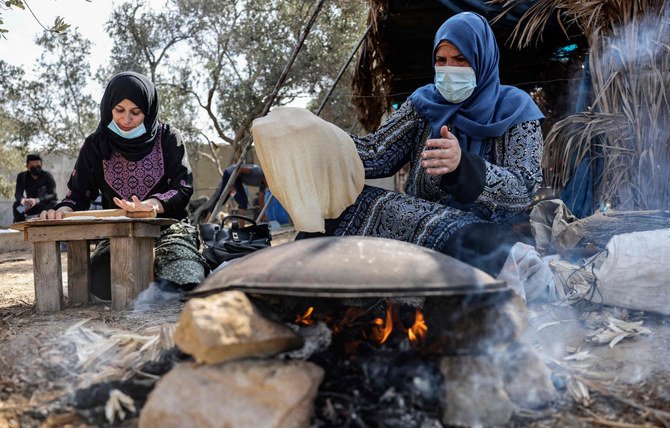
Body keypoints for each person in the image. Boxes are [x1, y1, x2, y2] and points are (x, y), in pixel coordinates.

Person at [309, 12, 545, 275]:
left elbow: (524, 188)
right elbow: (376, 153)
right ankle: (307, 285)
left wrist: (463, 166)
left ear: (482, 59)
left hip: (491, 234)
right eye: (441, 60)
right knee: (340, 203)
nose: (449, 69)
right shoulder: (424, 104)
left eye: (460, 60)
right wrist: (318, 138)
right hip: (427, 222)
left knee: (483, 243)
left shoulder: (515, 109)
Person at [41, 71, 206, 300]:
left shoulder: (169, 137)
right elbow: (79, 193)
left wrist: (153, 205)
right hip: (119, 234)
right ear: (108, 107)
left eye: (135, 112)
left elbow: (182, 187)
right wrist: (63, 210)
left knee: (182, 282)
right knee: (103, 284)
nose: (126, 120)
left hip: (169, 228)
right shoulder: (95, 145)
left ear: (148, 111)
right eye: (119, 110)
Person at [12, 153, 58, 223]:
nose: (36, 168)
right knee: (17, 207)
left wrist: (37, 200)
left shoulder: (47, 176)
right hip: (29, 206)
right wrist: (22, 200)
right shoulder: (22, 176)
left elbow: (53, 195)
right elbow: (18, 193)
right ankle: (21, 227)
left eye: (38, 166)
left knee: (53, 205)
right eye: (33, 166)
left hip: (43, 205)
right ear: (27, 166)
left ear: (41, 165)